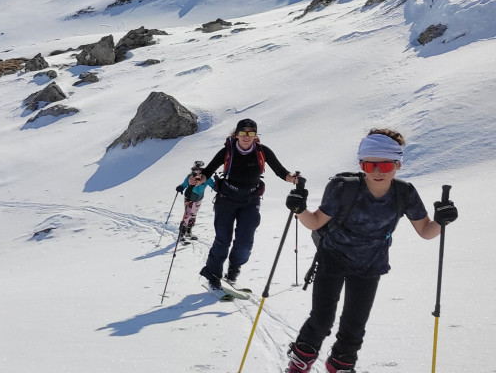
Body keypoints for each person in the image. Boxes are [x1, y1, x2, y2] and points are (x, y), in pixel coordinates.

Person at [281, 129, 458, 373]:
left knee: (355, 325)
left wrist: (441, 220)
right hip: (333, 257)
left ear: (398, 165)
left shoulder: (404, 193)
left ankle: (341, 365)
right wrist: (300, 209)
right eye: (369, 165)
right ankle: (300, 362)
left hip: (370, 265)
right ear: (362, 164)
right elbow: (316, 222)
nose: (376, 172)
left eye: (384, 167)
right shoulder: (343, 187)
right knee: (321, 320)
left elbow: (426, 231)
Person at [195, 118, 301, 290]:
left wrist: (293, 178)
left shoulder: (262, 151)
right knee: (223, 239)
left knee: (245, 241)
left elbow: (281, 172)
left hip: (251, 201)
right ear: (236, 134)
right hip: (226, 199)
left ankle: (232, 274)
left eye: (250, 133)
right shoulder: (227, 151)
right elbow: (208, 171)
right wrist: (199, 179)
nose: (246, 136)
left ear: (255, 136)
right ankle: (213, 274)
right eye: (243, 133)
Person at [175, 161, 215, 241]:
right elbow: (184, 185)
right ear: (193, 169)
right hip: (189, 197)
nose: (198, 171)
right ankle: (182, 233)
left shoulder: (206, 178)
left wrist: (219, 188)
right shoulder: (190, 177)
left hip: (199, 198)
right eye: (196, 169)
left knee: (193, 215)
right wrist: (180, 188)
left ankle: (188, 232)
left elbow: (213, 185)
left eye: (199, 169)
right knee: (187, 214)